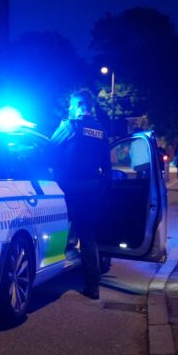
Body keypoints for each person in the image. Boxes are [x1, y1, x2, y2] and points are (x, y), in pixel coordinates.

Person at [49, 89, 110, 300]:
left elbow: (49, 149)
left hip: (67, 188)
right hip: (92, 189)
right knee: (88, 237)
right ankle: (93, 286)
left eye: (71, 104)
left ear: (77, 106)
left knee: (59, 227)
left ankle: (52, 271)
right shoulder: (101, 130)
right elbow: (107, 165)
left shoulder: (70, 126)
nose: (69, 108)